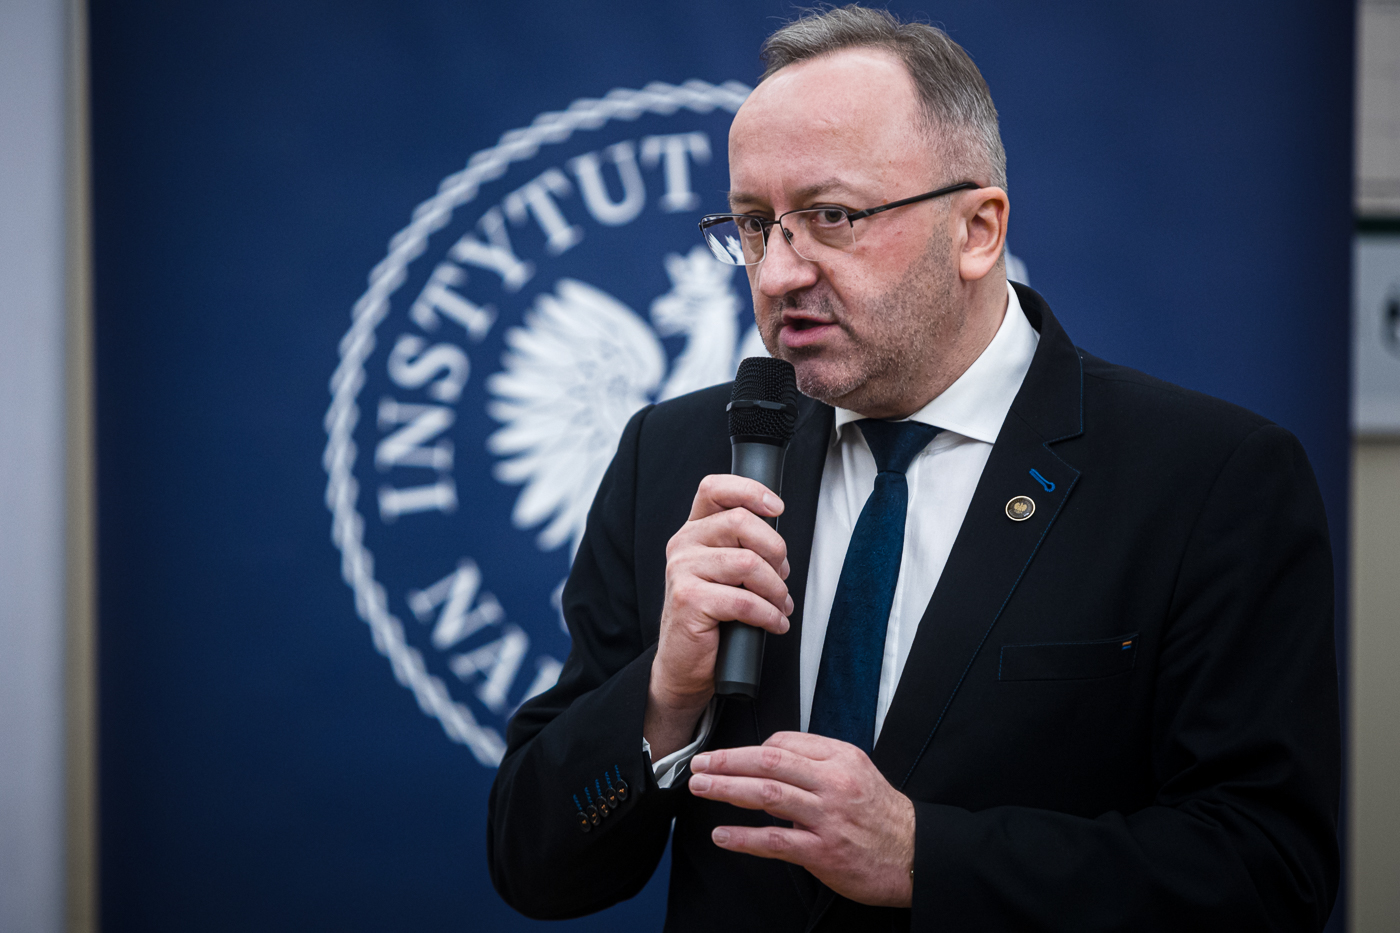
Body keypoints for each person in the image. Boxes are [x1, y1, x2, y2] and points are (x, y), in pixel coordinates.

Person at [487, 7, 1340, 931]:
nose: (775, 274)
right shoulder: (675, 456)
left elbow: (1268, 872)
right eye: (755, 224)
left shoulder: (1207, 479)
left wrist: (924, 856)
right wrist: (665, 695)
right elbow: (535, 862)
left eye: (832, 216)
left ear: (977, 229)